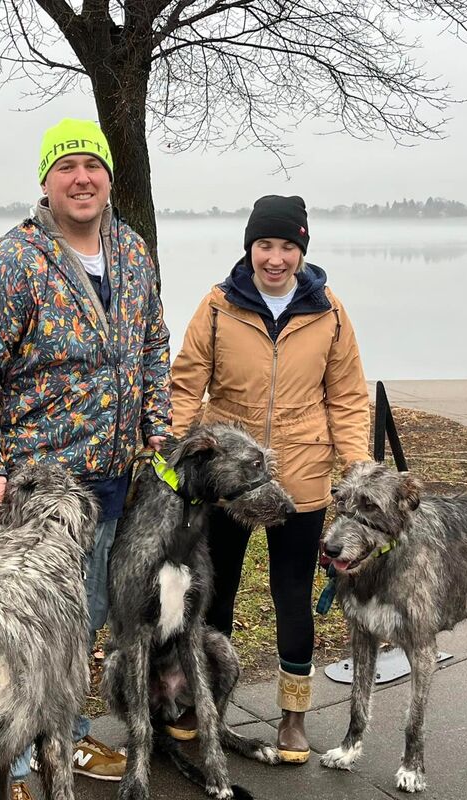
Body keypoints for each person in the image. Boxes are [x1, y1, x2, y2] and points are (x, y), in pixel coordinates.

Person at [0, 118, 172, 797]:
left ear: (108, 178)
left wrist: (155, 426)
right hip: (40, 493)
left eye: (93, 166)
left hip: (112, 482)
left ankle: (67, 739)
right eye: (67, 165)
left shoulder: (132, 251)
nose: (82, 177)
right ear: (45, 181)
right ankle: (13, 764)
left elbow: (151, 345)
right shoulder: (15, 259)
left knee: (85, 619)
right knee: (27, 629)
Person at [170, 195, 369, 763]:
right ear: (249, 248)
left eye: (287, 246)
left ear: (301, 250)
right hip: (232, 482)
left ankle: (293, 718)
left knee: (291, 597)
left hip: (302, 479)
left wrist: (356, 468)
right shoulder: (217, 307)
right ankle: (203, 702)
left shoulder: (328, 312)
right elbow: (186, 386)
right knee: (216, 594)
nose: (275, 258)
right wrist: (172, 457)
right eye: (265, 245)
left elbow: (348, 398)